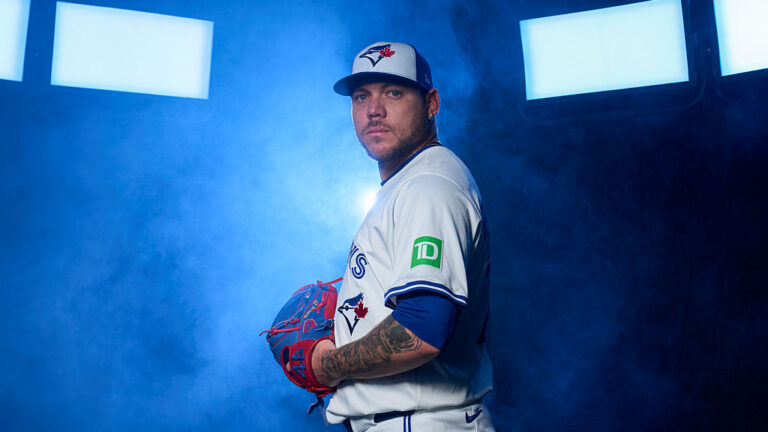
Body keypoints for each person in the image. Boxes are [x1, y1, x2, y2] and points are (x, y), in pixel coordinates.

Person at [312, 41, 494, 431]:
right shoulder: (406, 184)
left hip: (423, 421)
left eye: (393, 92)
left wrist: (327, 364)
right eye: (362, 96)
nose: (374, 110)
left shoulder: (429, 185)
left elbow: (422, 329)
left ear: (431, 104)